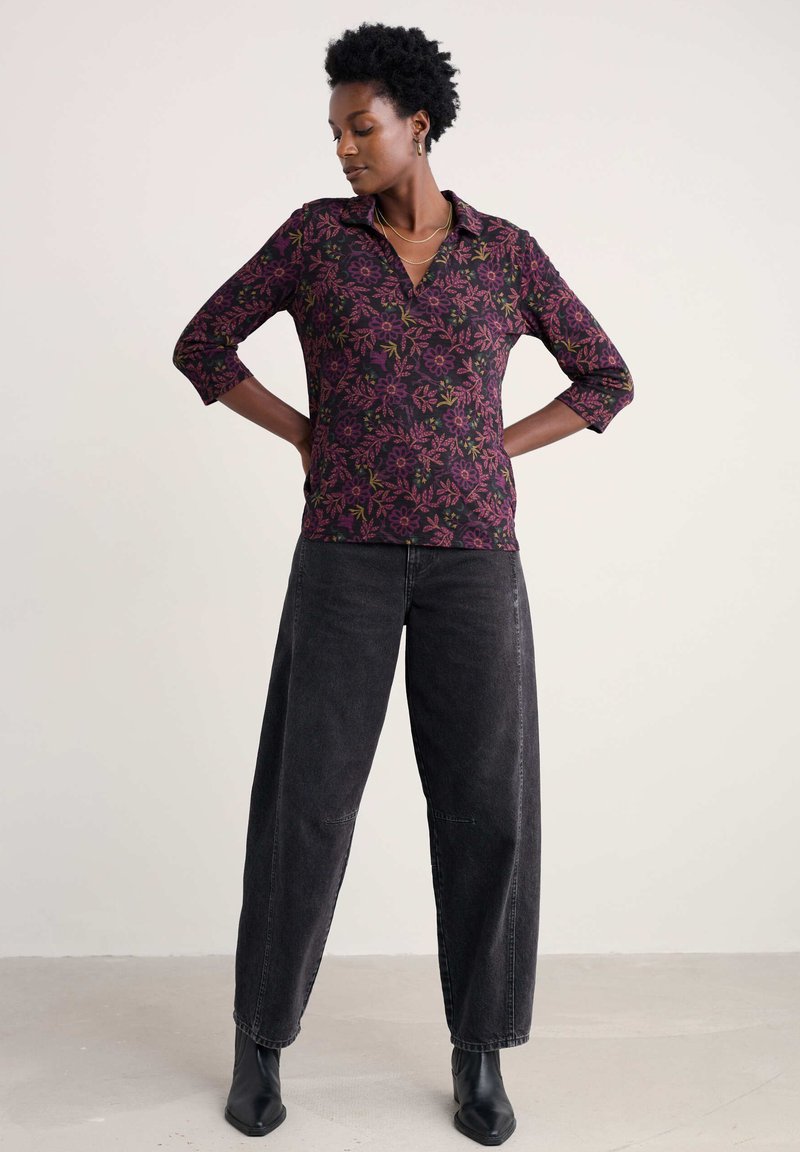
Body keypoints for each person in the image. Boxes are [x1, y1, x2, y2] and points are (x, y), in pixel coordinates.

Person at [171, 21, 634, 1145]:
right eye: (334, 132)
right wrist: (304, 433)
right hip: (344, 556)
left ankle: (480, 1053)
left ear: (416, 125)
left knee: (485, 808)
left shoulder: (504, 254)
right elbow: (204, 344)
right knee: (306, 802)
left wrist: (491, 448)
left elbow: (605, 377)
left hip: (476, 564)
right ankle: (260, 1040)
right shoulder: (316, 241)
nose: (342, 148)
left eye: (359, 128)